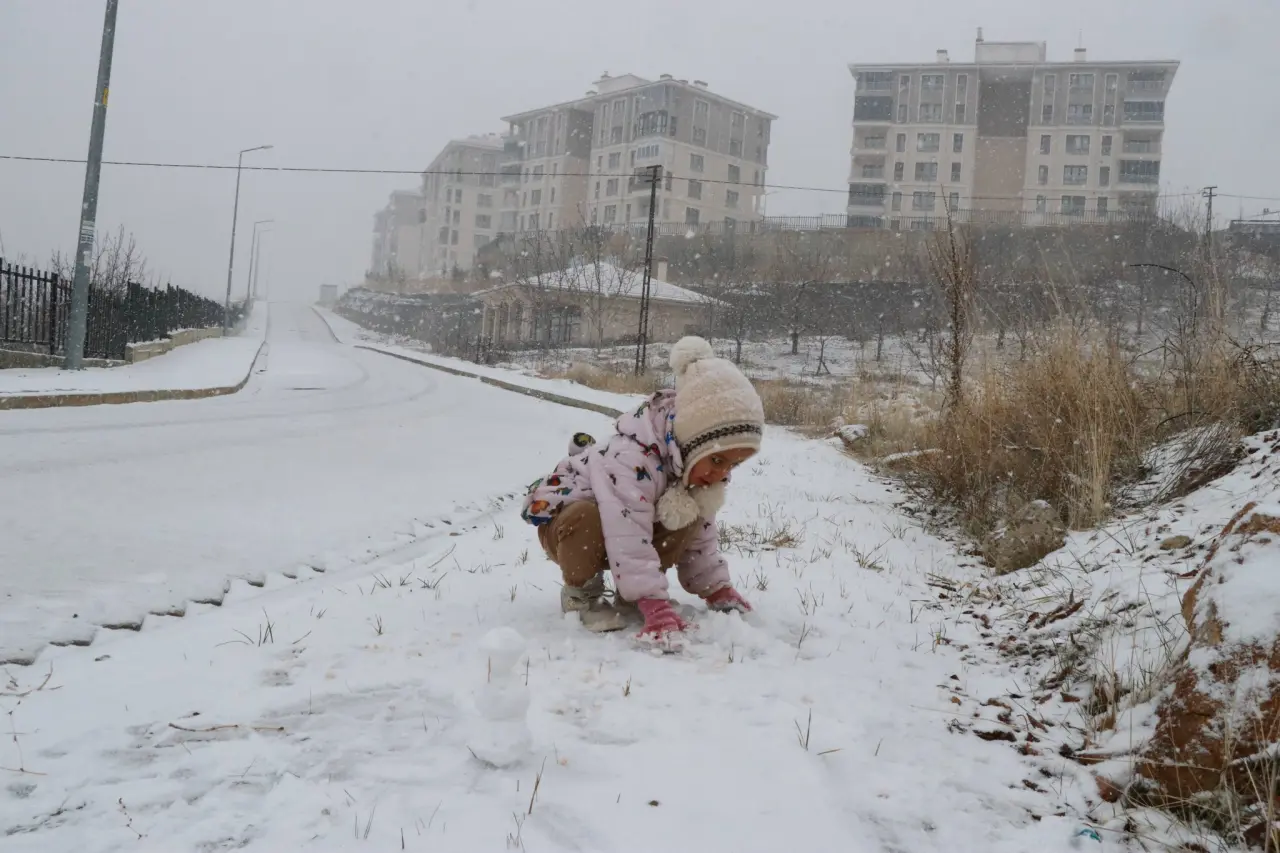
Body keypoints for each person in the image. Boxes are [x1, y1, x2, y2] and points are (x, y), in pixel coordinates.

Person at [520, 336, 762, 636]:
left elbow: (701, 537)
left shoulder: (699, 466)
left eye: (732, 465)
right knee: (586, 516)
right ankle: (581, 593)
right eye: (717, 461)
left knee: (687, 512)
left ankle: (630, 594)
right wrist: (653, 601)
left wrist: (716, 589)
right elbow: (627, 532)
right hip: (571, 529)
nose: (722, 473)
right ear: (692, 439)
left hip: (622, 535)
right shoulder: (632, 458)